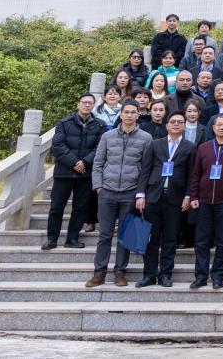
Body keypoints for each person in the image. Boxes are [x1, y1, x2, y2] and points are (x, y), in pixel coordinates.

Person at [85, 100, 153, 288]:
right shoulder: (108, 136)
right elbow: (98, 163)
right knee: (105, 234)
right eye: (126, 112)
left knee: (125, 235)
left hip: (130, 192)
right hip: (107, 191)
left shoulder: (146, 138)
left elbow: (146, 168)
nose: (129, 115)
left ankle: (120, 272)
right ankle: (99, 272)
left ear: (138, 115)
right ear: (121, 114)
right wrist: (99, 187)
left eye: (133, 112)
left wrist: (140, 193)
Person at [135, 111, 196, 288]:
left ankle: (165, 275)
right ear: (167, 125)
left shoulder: (190, 147)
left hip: (175, 199)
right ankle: (149, 275)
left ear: (184, 126)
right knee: (150, 238)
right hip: (153, 197)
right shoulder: (155, 144)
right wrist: (140, 194)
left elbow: (192, 174)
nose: (176, 124)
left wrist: (188, 195)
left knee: (170, 239)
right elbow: (145, 170)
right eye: (173, 121)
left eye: (180, 122)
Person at [188, 115, 223, 289]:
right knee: (201, 241)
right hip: (204, 201)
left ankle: (218, 276)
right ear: (213, 128)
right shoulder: (203, 147)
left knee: (222, 241)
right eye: (218, 125)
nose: (221, 127)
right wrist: (193, 196)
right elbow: (196, 174)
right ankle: (200, 276)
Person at [44, 93, 105, 250]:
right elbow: (57, 146)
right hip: (64, 172)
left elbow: (99, 148)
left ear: (93, 106)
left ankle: (72, 239)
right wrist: (74, 162)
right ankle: (51, 239)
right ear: (78, 104)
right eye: (84, 102)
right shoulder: (64, 123)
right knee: (56, 206)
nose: (87, 105)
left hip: (86, 173)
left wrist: (84, 162)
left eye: (90, 103)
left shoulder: (100, 125)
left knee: (80, 208)